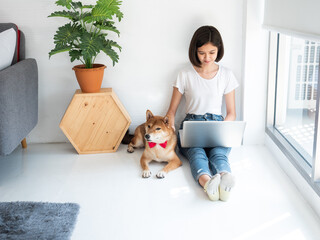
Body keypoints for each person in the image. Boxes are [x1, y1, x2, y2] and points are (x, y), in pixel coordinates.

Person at [166, 25, 239, 201]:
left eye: (212, 52)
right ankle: (208, 183)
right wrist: (170, 128)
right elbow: (171, 111)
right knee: (196, 153)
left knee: (218, 153)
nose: (207, 58)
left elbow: (231, 113)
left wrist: (223, 129)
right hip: (192, 124)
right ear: (194, 51)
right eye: (202, 53)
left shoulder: (227, 75)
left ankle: (225, 179)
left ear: (219, 50)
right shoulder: (185, 74)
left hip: (218, 124)